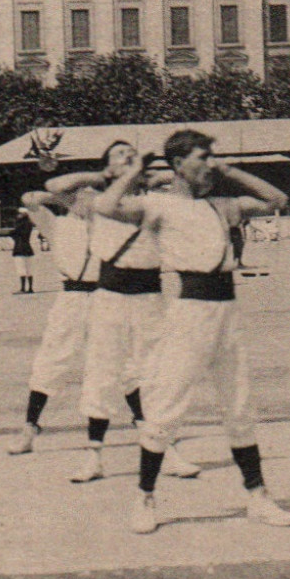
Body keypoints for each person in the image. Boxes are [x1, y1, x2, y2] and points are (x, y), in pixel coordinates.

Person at [130, 129, 290, 535]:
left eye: (210, 158)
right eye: (202, 157)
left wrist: (231, 169)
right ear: (177, 164)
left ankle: (257, 497)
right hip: (189, 313)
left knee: (239, 406)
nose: (209, 164)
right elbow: (106, 205)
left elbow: (278, 200)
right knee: (167, 407)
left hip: (227, 312)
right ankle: (144, 498)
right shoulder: (159, 205)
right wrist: (136, 173)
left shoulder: (221, 206)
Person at [3, 145, 122, 458]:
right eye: (82, 194)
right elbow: (31, 198)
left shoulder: (111, 221)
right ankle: (30, 427)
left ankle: (149, 426)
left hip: (107, 296)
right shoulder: (56, 224)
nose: (89, 199)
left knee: (123, 363)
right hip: (71, 297)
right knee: (52, 361)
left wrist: (96, 196)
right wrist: (68, 196)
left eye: (94, 194)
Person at [90, 151, 202, 482]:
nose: (130, 161)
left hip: (149, 296)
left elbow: (190, 194)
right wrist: (121, 174)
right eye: (120, 157)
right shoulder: (94, 199)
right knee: (102, 374)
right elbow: (55, 185)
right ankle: (93, 454)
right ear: (107, 167)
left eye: (134, 158)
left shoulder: (156, 202)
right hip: (109, 296)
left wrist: (159, 175)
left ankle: (166, 449)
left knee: (153, 375)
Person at [9, 209, 36, 294]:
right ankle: (30, 288)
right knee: (29, 269)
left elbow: (13, 233)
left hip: (19, 249)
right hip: (28, 248)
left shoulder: (19, 225)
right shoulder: (29, 224)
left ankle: (23, 288)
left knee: (21, 269)